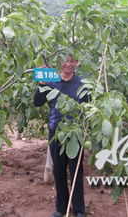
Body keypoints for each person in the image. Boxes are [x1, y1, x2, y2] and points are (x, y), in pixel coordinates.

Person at [34, 54, 88, 217]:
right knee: (58, 171)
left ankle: (79, 210)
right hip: (56, 132)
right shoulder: (51, 80)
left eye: (72, 61)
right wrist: (41, 83)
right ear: (60, 62)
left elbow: (87, 106)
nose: (68, 64)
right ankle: (61, 208)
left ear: (77, 63)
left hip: (75, 134)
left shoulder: (81, 84)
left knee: (76, 171)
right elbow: (37, 102)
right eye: (65, 60)